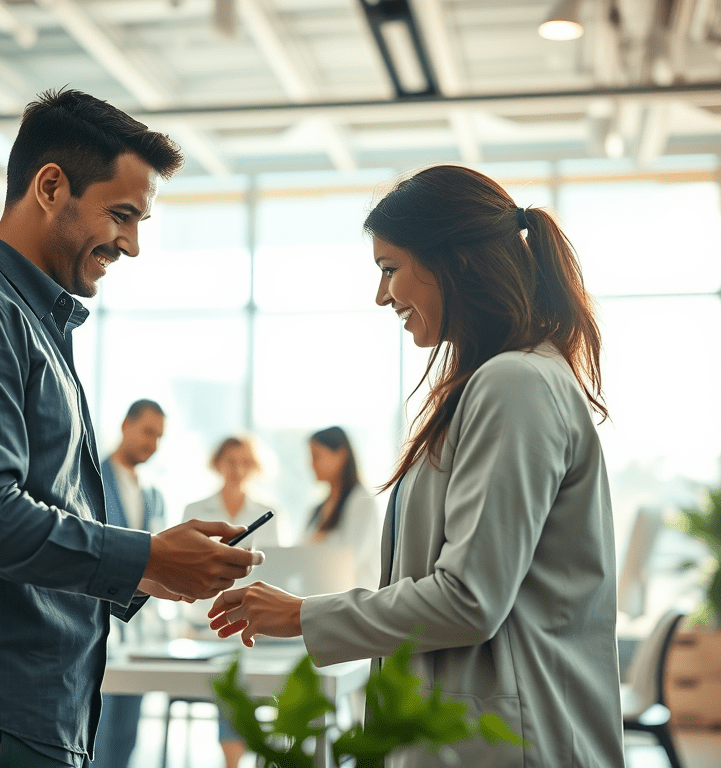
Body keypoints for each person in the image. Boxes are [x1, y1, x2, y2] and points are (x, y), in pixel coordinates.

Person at [0, 89, 261, 768]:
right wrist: (145, 556)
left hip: (26, 716)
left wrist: (157, 572)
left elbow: (29, 525)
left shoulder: (32, 323)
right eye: (122, 215)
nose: (134, 245)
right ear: (51, 186)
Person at [209, 165, 623, 768]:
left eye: (389, 269)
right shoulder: (505, 380)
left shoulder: (514, 384)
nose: (383, 296)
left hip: (511, 742)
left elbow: (469, 599)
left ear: (453, 261)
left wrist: (302, 615)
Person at [182, 435, 284, 768]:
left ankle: (234, 761)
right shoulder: (195, 511)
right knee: (230, 678)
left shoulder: (268, 513)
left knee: (241, 676)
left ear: (253, 467)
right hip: (204, 625)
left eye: (243, 461)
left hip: (249, 623)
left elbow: (275, 572)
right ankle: (235, 762)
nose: (236, 469)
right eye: (229, 460)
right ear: (217, 462)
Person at [93, 399, 169, 768]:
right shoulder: (91, 477)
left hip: (139, 633)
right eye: (147, 432)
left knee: (127, 736)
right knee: (98, 736)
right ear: (126, 425)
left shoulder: (153, 494)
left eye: (159, 437)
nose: (152, 444)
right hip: (99, 627)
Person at [303, 426, 384, 591]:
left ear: (341, 455)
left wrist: (320, 541)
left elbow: (350, 558)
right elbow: (300, 555)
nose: (311, 465)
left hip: (354, 602)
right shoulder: (316, 510)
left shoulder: (363, 502)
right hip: (321, 596)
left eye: (316, 456)